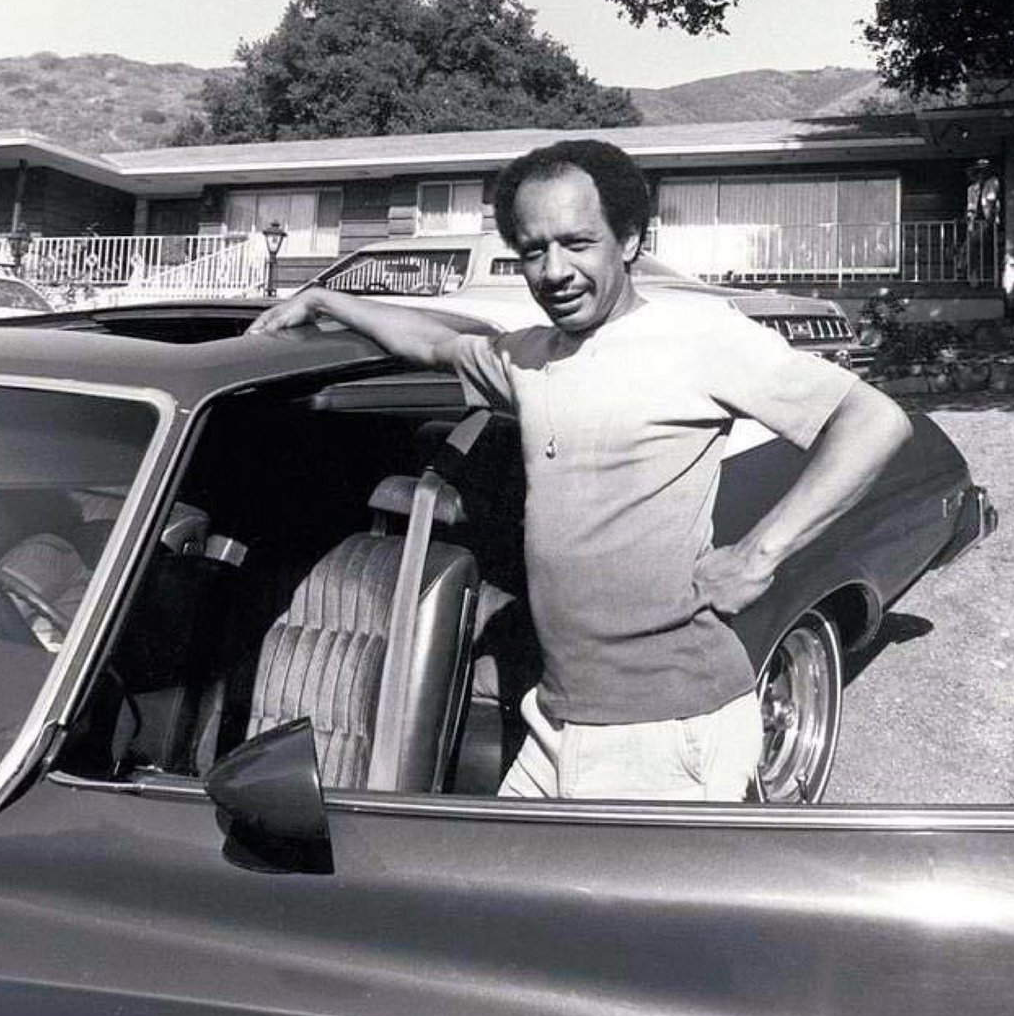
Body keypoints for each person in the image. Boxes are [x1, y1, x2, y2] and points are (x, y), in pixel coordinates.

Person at [250, 140, 912, 801]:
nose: (554, 271)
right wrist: (327, 301)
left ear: (629, 240)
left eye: (577, 243)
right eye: (533, 250)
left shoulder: (700, 337)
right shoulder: (531, 357)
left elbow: (873, 421)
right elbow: (434, 342)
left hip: (665, 728)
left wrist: (759, 554)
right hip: (556, 719)